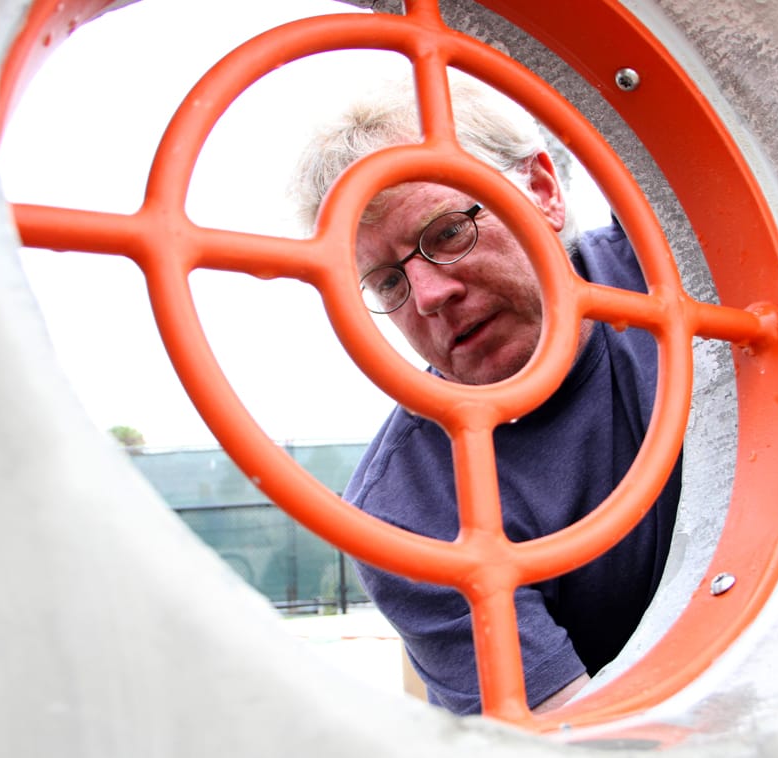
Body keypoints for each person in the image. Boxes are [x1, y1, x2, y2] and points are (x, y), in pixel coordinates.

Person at [292, 75, 681, 715]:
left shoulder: (676, 268)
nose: (428, 296)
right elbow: (563, 732)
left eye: (445, 233)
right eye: (387, 281)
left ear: (543, 192)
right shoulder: (409, 513)